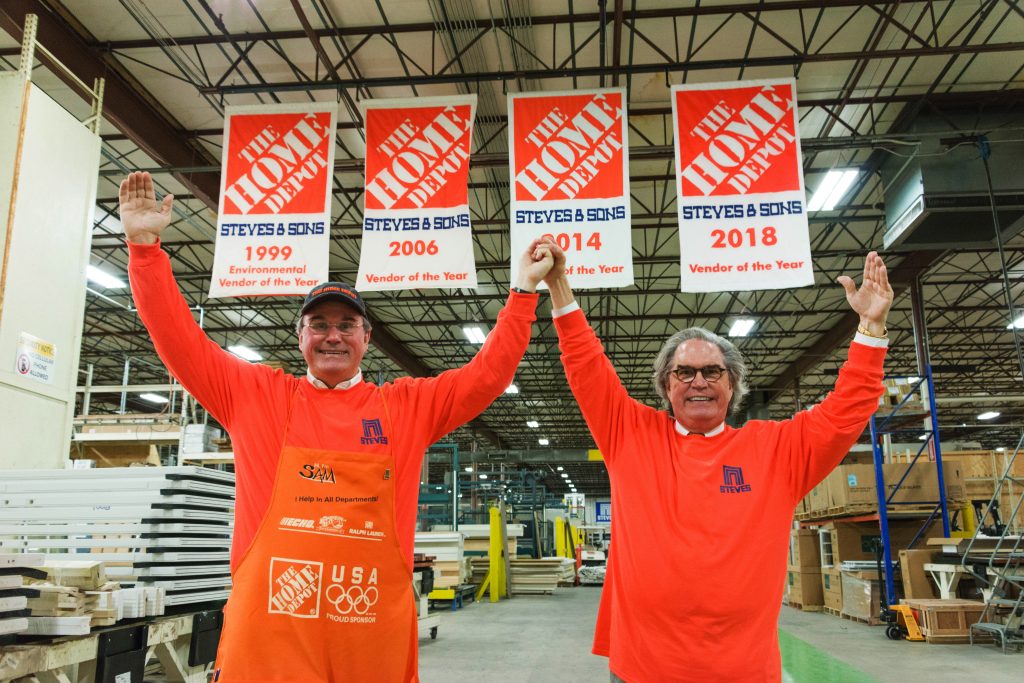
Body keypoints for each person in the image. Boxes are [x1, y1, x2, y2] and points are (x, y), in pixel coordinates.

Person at [118, 171, 555, 682]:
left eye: (346, 326)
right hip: (270, 634)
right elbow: (178, 340)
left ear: (366, 337)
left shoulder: (405, 408)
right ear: (299, 334)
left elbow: (488, 376)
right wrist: (145, 249)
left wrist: (523, 292)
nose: (332, 337)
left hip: (368, 635)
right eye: (319, 325)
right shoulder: (255, 395)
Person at [542, 242, 893, 682]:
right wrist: (558, 284)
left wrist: (871, 327)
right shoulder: (630, 435)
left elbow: (846, 411)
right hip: (641, 667)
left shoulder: (776, 450)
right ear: (666, 386)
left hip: (741, 670)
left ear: (733, 385)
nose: (698, 382)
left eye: (712, 371)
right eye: (684, 373)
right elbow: (585, 366)